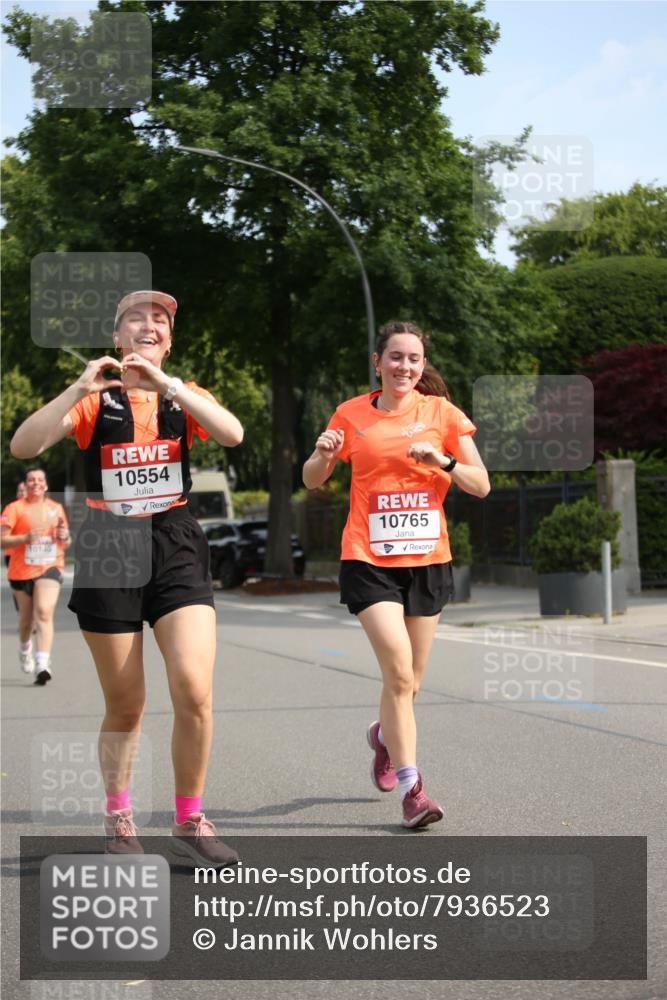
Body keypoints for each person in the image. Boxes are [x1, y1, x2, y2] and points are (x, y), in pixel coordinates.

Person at [10, 290, 244, 865]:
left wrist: (170, 386)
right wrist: (79, 387)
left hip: (175, 539)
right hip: (109, 544)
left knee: (194, 690)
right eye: (135, 319)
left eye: (159, 320)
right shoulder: (96, 401)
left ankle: (189, 821)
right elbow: (23, 445)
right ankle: (119, 819)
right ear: (117, 337)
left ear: (169, 340)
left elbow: (233, 434)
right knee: (127, 703)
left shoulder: (183, 395)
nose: (148, 325)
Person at [303, 321, 490, 829]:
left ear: (422, 365)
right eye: (395, 357)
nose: (404, 367)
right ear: (377, 362)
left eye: (413, 359)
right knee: (400, 674)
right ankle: (413, 791)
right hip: (368, 559)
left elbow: (481, 484)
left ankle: (384, 737)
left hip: (427, 560)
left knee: (410, 683)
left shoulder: (442, 414)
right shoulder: (351, 413)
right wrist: (322, 455)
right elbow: (312, 479)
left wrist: (443, 460)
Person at [1, 469, 70, 683]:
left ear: (46, 485)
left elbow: (66, 541)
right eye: (31, 480)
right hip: (21, 570)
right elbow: (2, 540)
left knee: (43, 611)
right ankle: (25, 650)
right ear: (26, 484)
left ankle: (42, 663)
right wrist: (25, 538)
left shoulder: (55, 508)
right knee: (26, 622)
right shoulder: (14, 508)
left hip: (50, 566)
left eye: (40, 480)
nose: (36, 483)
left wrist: (65, 536)